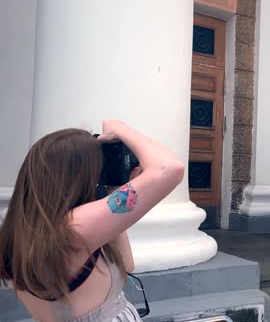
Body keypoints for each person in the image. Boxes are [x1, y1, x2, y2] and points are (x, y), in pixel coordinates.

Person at [0, 119, 185, 321]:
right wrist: (121, 129)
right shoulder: (75, 227)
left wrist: (114, 192)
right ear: (80, 176)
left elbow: (126, 264)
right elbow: (169, 168)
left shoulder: (20, 223)